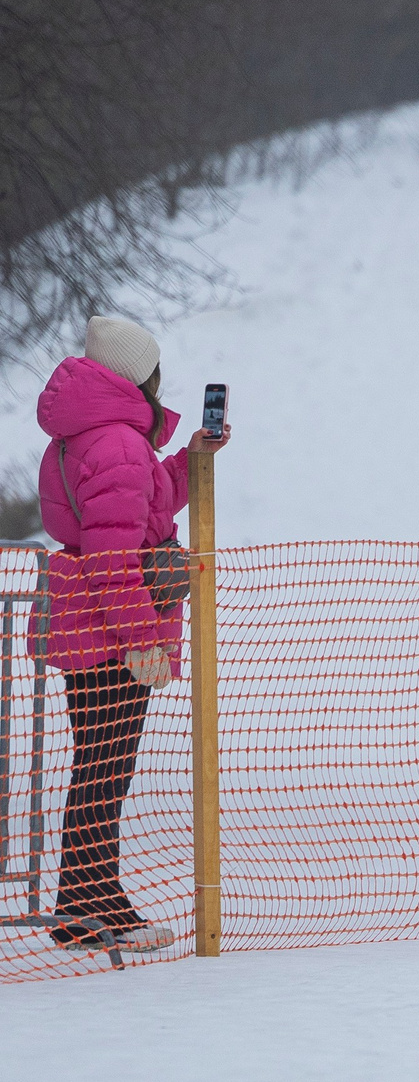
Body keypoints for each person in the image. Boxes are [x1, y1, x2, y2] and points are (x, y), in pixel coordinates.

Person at [35, 316, 228, 950]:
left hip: (85, 628)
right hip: (111, 636)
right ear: (139, 377)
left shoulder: (87, 436)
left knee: (97, 769)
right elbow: (114, 559)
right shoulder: (118, 443)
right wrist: (142, 639)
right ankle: (96, 913)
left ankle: (85, 905)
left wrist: (189, 461)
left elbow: (137, 510)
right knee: (104, 773)